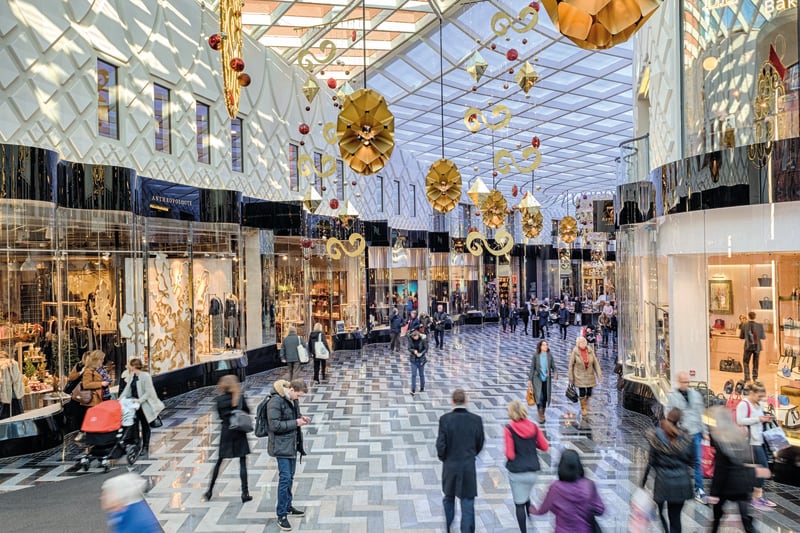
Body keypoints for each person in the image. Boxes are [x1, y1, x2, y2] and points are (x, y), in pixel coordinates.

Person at [436, 388, 485, 533]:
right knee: (468, 502)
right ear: (466, 401)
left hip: (450, 466)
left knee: (448, 498)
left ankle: (449, 527)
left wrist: (443, 457)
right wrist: (472, 454)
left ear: (452, 401)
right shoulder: (476, 420)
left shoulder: (445, 419)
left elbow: (440, 444)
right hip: (468, 466)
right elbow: (480, 442)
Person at [267, 379, 310, 531]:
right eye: (298, 395)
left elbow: (293, 416)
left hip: (291, 444)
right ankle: (281, 514)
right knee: (285, 478)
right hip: (281, 446)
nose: (299, 398)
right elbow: (275, 425)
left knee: (290, 477)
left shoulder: (292, 399)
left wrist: (302, 418)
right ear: (291, 389)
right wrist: (296, 423)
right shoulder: (275, 401)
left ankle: (288, 506)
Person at [708, 406, 758, 532]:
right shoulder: (740, 436)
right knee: (745, 519)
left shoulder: (721, 439)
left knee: (717, 517)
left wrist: (714, 492)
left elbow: (720, 470)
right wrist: (751, 485)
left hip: (726, 486)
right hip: (743, 484)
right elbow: (749, 461)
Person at [644, 408, 694, 533]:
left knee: (660, 512)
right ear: (680, 421)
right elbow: (691, 461)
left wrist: (642, 482)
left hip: (663, 483)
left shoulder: (656, 437)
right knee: (675, 517)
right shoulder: (686, 438)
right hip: (682, 483)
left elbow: (651, 461)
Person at [530, 449, 605, 532]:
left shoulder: (555, 487)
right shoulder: (589, 485)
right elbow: (600, 509)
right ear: (579, 466)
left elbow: (543, 510)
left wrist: (532, 510)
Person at [204, 375, 252, 503]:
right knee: (242, 462)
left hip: (226, 432)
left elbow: (220, 416)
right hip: (239, 432)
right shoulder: (239, 398)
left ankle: (209, 491)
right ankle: (245, 492)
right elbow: (248, 411)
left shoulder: (219, 400)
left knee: (219, 462)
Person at [504, 400, 549, 533]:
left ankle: (524, 530)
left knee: (519, 504)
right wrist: (531, 444)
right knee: (526, 492)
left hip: (517, 471)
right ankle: (530, 516)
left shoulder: (509, 428)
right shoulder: (534, 427)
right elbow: (545, 447)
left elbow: (510, 455)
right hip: (533, 470)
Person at [666, 371, 706, 504]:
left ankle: (699, 489)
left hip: (696, 433)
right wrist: (673, 431)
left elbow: (701, 413)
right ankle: (679, 487)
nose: (686, 384)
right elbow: (669, 414)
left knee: (698, 462)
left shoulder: (695, 395)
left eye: (688, 381)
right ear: (678, 382)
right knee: (679, 461)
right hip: (681, 434)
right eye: (684, 382)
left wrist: (704, 431)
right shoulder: (672, 396)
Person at [736, 381, 776, 510]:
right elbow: (740, 420)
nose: (760, 399)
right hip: (751, 442)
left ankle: (758, 496)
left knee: (762, 468)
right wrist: (758, 419)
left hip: (761, 440)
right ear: (752, 393)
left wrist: (766, 418)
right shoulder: (744, 404)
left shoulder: (759, 404)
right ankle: (756, 497)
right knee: (762, 468)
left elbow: (759, 419)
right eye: (759, 396)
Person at [119, 358, 165, 455]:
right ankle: (135, 444)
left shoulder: (145, 376)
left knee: (145, 425)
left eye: (130, 365)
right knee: (132, 423)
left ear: (134, 366)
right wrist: (121, 399)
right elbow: (127, 389)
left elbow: (148, 392)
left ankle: (145, 446)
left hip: (144, 405)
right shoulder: (132, 375)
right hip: (134, 404)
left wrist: (139, 400)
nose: (129, 367)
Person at [568, 337, 602, 417]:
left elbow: (595, 363)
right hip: (579, 376)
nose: (583, 344)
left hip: (590, 375)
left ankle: (586, 402)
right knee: (582, 392)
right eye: (581, 343)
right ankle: (583, 408)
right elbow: (570, 365)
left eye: (584, 342)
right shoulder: (575, 352)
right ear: (578, 344)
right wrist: (571, 378)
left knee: (589, 392)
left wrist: (599, 374)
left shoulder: (590, 350)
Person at [528, 340, 557, 424]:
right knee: (539, 396)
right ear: (540, 346)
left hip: (547, 380)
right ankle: (540, 415)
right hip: (537, 379)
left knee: (544, 397)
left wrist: (555, 373)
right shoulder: (535, 355)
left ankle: (542, 412)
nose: (545, 346)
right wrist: (530, 379)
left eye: (546, 345)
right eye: (544, 345)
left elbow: (553, 366)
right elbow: (532, 368)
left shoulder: (549, 355)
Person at [738, 311, 765, 383]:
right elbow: (763, 337)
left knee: (746, 362)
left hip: (748, 346)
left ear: (748, 317)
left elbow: (741, 337)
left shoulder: (744, 325)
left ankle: (747, 378)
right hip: (757, 346)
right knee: (756, 362)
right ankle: (755, 377)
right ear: (755, 317)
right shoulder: (760, 325)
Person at [408, 327, 428, 397]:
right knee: (413, 375)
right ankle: (413, 389)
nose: (414, 339)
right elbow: (409, 348)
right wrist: (414, 351)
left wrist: (421, 353)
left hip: (421, 359)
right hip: (413, 359)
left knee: (421, 374)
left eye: (415, 337)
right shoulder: (410, 339)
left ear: (418, 335)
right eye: (413, 337)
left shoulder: (423, 339)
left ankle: (422, 387)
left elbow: (426, 348)